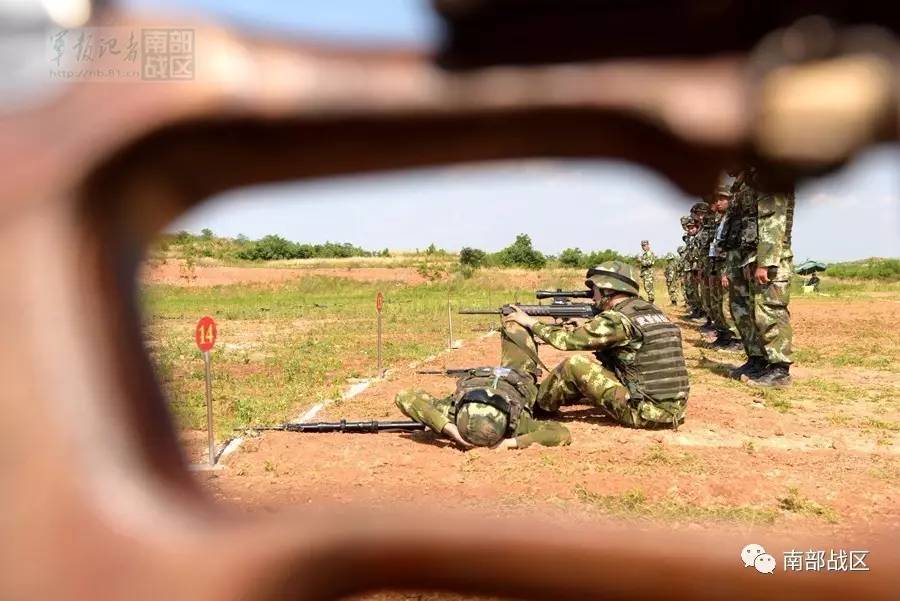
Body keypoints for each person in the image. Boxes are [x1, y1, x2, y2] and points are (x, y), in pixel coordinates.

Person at [502, 261, 690, 429]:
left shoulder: (618, 319)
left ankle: (537, 405)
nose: (593, 297)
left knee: (574, 365)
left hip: (644, 412)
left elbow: (565, 341)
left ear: (608, 290)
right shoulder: (652, 312)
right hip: (673, 409)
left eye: (596, 291)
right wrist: (583, 327)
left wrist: (529, 322)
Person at [720, 168, 795, 386]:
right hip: (745, 258)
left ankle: (779, 369)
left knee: (769, 310)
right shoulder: (742, 185)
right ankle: (757, 360)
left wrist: (767, 262)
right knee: (743, 311)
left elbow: (773, 218)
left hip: (765, 258)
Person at [395, 366, 572, 450]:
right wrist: (452, 430)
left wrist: (509, 443)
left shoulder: (516, 421)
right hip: (508, 375)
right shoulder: (452, 410)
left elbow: (406, 396)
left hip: (519, 377)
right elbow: (404, 396)